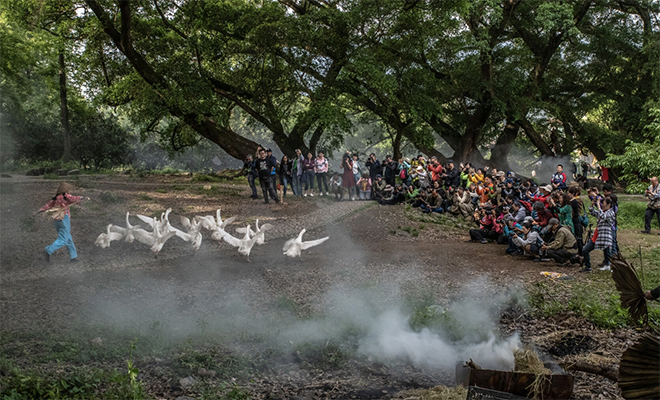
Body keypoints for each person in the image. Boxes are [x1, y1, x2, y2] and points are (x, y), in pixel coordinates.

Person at [37, 182, 86, 263]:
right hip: (64, 218)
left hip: (56, 220)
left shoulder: (55, 198)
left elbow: (47, 206)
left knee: (68, 237)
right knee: (63, 238)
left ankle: (73, 257)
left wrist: (39, 211)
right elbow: (74, 198)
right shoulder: (66, 196)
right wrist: (82, 198)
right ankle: (48, 250)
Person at [579, 197, 615, 272]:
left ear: (609, 204)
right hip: (597, 235)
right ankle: (588, 267)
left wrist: (598, 206)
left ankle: (608, 265)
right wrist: (592, 205)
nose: (602, 204)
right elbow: (593, 212)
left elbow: (603, 216)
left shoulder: (611, 213)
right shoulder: (603, 211)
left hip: (605, 236)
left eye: (603, 203)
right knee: (585, 250)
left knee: (607, 251)